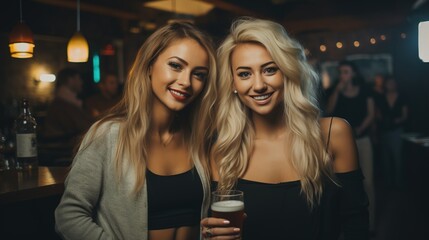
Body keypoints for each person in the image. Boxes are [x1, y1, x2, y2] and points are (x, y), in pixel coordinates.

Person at [200, 17, 369, 240]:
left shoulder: (332, 134)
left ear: (288, 72)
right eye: (244, 74)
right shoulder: (223, 151)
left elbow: (356, 226)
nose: (259, 85)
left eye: (270, 70)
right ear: (232, 83)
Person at [55, 21, 217, 240]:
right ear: (150, 65)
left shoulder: (199, 139)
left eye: (199, 74)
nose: (186, 82)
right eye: (176, 66)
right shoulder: (109, 135)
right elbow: (68, 217)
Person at [325, 60, 376, 233]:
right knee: (340, 184)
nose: (343, 75)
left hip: (361, 139)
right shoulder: (334, 91)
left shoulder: (365, 91)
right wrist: (337, 91)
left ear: (353, 73)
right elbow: (328, 110)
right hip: (339, 145)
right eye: (340, 72)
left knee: (367, 182)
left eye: (346, 72)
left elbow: (371, 113)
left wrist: (361, 127)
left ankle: (370, 226)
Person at [42, 68, 93, 164]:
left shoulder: (67, 102)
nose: (81, 82)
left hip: (67, 147)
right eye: (79, 79)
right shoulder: (61, 104)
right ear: (70, 80)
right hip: (63, 150)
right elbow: (82, 125)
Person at [377, 76, 407, 188]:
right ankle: (388, 183)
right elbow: (377, 114)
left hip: (397, 131)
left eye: (393, 83)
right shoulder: (381, 97)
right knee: (385, 159)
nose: (391, 85)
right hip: (384, 130)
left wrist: (397, 120)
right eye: (389, 83)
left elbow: (405, 115)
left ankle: (398, 183)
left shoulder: (402, 97)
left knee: (397, 157)